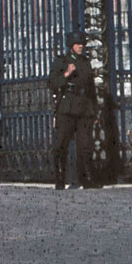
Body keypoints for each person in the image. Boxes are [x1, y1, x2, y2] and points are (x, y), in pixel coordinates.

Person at [47, 29, 98, 190]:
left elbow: (91, 88)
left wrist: (94, 110)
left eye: (82, 43)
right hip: (67, 107)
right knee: (61, 144)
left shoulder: (85, 61)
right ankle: (60, 179)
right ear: (71, 45)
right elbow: (52, 83)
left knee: (85, 145)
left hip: (84, 108)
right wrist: (67, 74)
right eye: (77, 44)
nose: (80, 46)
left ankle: (87, 178)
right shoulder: (61, 61)